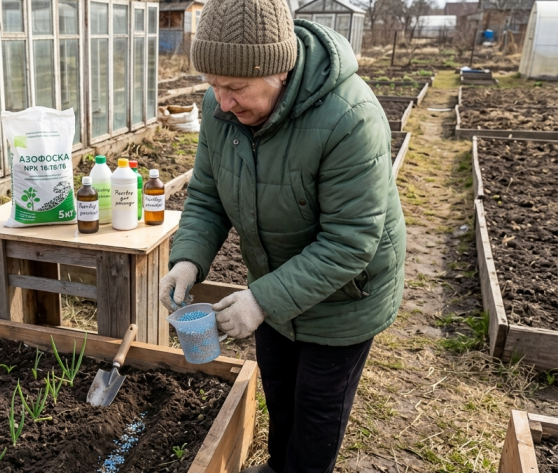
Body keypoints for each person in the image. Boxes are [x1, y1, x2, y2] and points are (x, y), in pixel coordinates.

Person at [158, 0, 407, 471]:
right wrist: (187, 258)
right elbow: (208, 192)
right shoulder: (219, 106)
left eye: (236, 87)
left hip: (345, 296)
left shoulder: (350, 117)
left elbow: (350, 241)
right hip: (274, 278)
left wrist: (261, 301)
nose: (222, 101)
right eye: (213, 85)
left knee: (317, 409)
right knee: (279, 386)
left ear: (280, 70)